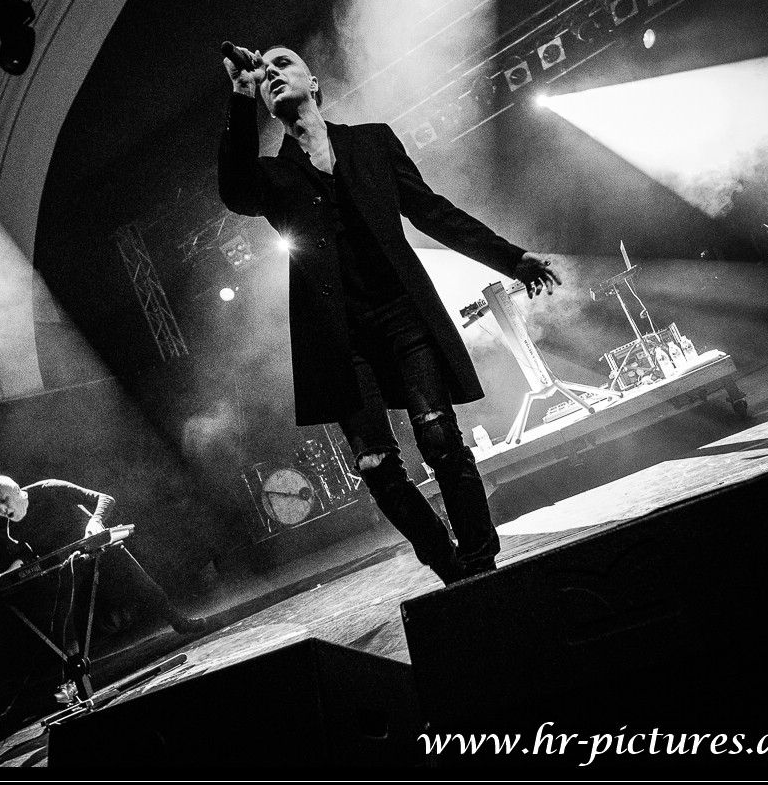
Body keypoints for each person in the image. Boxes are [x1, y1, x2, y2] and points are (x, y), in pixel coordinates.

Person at [217, 44, 561, 584]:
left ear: (314, 83)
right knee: (375, 464)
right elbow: (235, 191)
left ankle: (481, 565)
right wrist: (240, 92)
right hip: (340, 336)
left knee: (440, 439)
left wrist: (510, 258)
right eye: (265, 76)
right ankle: (451, 570)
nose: (272, 75)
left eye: (283, 64)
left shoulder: (371, 141)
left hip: (403, 314)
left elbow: (431, 211)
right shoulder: (273, 175)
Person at [0, 472, 207, 658]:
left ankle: (180, 623)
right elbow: (25, 555)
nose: (3, 510)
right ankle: (76, 669)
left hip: (96, 545)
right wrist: (8, 574)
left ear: (17, 489)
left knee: (141, 583)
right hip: (67, 562)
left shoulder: (50, 488)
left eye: (4, 500)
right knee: (62, 615)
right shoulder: (0, 527)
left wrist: (95, 521)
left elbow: (105, 499)